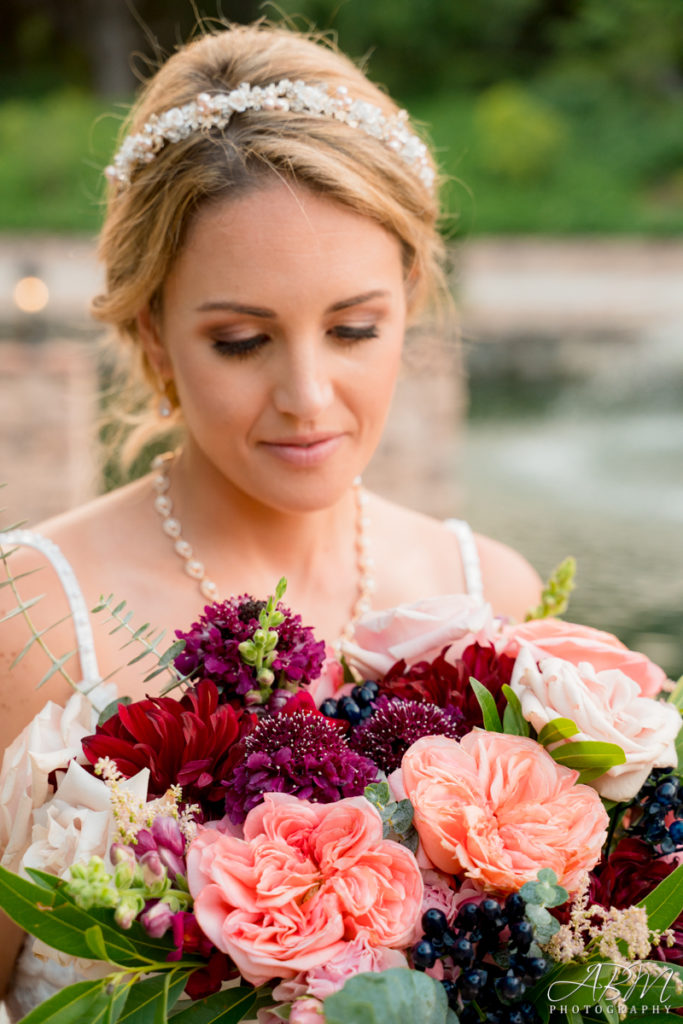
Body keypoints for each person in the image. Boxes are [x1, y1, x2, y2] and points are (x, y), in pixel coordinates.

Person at [0, 20, 541, 1013]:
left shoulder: (491, 598)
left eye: (352, 329)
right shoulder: (27, 621)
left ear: (409, 298)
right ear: (152, 331)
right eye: (242, 339)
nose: (306, 395)